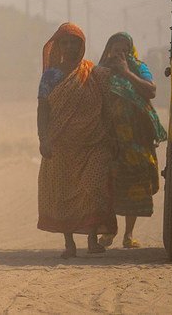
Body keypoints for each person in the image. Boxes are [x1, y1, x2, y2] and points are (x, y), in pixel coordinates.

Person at [36, 22, 117, 258]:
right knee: (63, 192)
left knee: (93, 189)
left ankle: (92, 239)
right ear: (58, 45)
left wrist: (113, 137)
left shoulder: (93, 73)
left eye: (75, 43)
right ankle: (69, 244)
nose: (70, 47)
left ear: (82, 45)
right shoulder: (50, 76)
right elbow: (43, 109)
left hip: (94, 143)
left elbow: (106, 108)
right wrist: (43, 139)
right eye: (65, 42)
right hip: (60, 144)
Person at [97, 32, 166, 249]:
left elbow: (152, 90)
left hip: (136, 139)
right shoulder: (100, 71)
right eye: (116, 49)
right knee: (109, 186)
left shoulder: (139, 68)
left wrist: (126, 72)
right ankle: (109, 232)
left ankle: (128, 234)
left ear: (131, 51)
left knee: (134, 185)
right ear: (109, 49)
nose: (120, 53)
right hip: (110, 138)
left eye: (125, 49)